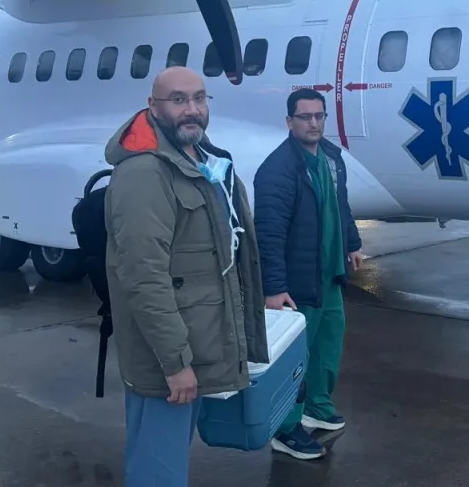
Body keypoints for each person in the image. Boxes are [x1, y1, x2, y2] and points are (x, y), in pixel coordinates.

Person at [102, 66, 269, 486]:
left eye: (199, 98)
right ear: (153, 106)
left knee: (169, 463)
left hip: (197, 346)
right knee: (158, 472)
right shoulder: (144, 173)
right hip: (167, 360)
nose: (191, 109)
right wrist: (175, 363)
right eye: (177, 100)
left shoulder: (201, 159)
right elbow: (143, 277)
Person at [254, 87, 366, 460]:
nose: (314, 123)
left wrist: (352, 243)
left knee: (326, 348)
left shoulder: (331, 158)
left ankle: (318, 407)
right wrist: (274, 288)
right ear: (290, 122)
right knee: (295, 360)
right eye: (305, 117)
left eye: (319, 116)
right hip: (299, 283)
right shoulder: (278, 170)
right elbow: (269, 235)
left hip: (329, 275)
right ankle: (285, 429)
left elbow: (341, 205)